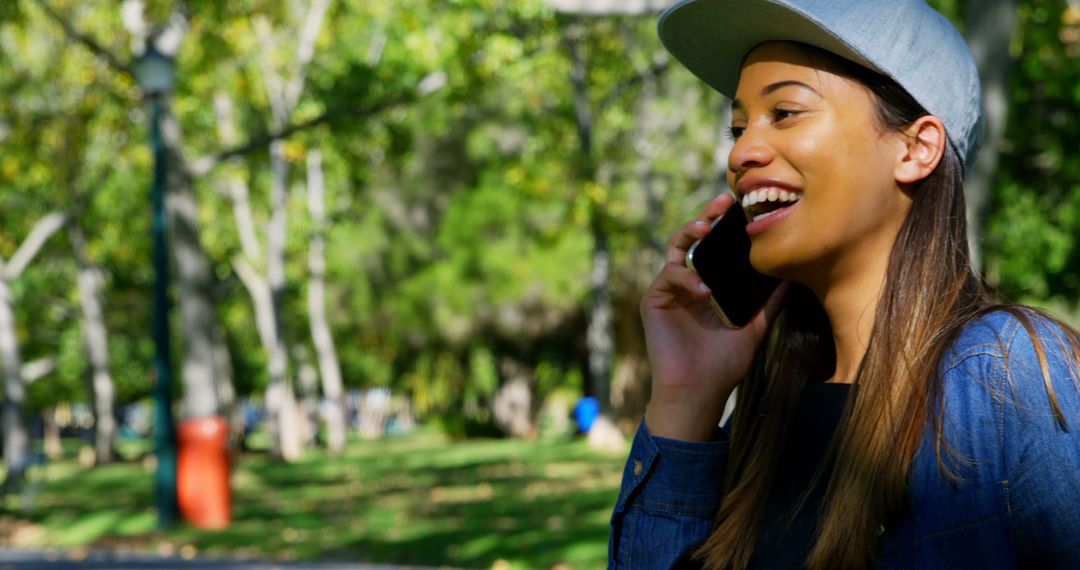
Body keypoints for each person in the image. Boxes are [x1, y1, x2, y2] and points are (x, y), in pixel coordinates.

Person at [608, 1, 1080, 568]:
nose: (740, 153)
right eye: (738, 126)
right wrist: (685, 398)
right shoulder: (766, 412)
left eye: (784, 112)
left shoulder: (1004, 378)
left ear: (916, 148)